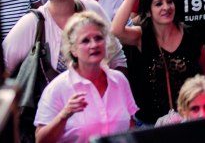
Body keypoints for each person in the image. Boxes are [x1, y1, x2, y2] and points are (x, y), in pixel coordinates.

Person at [112, 0, 205, 127]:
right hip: (149, 124)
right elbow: (116, 30)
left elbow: (204, 76)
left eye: (170, 1)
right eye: (158, 4)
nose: (166, 7)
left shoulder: (191, 35)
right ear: (148, 12)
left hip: (190, 120)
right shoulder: (141, 36)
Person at [34, 11, 137, 143]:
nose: (94, 45)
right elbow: (40, 140)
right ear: (73, 50)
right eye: (85, 41)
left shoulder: (120, 80)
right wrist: (63, 115)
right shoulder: (58, 88)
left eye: (98, 38)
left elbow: (130, 127)